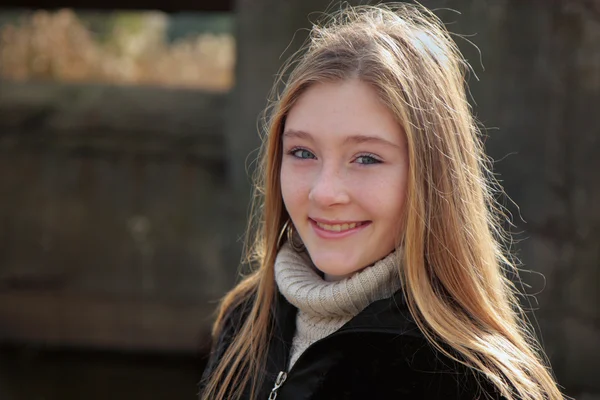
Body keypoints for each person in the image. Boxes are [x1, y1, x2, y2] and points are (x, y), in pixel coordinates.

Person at [199, 3, 564, 400]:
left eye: (366, 158)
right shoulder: (246, 322)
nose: (324, 192)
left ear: (429, 178)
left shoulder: (473, 383)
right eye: (303, 152)